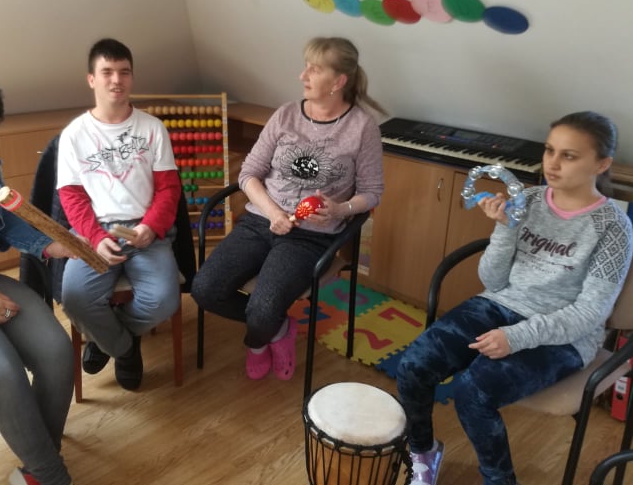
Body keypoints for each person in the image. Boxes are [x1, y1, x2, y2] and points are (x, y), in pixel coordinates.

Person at [396, 111, 633, 485]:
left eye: (569, 156)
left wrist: (518, 337)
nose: (552, 163)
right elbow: (493, 281)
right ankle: (423, 453)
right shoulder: (529, 200)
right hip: (500, 304)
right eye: (549, 150)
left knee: (474, 391)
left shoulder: (613, 228)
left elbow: (591, 312)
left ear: (601, 164)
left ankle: (500, 480)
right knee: (413, 366)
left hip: (566, 336)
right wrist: (504, 228)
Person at [191, 36, 385, 381]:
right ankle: (280, 329)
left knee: (263, 309)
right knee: (204, 289)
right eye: (305, 66)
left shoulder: (362, 127)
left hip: (311, 237)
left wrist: (340, 209)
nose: (302, 76)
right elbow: (249, 174)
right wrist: (273, 213)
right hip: (260, 221)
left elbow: (372, 192)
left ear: (338, 81)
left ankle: (258, 341)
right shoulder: (285, 115)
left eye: (314, 69)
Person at [0, 64, 76, 485]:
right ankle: (51, 475)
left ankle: (39, 467)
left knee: (57, 351)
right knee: (4, 374)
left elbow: (6, 223)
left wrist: (50, 244)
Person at [56, 38, 181, 391]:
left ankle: (107, 338)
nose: (116, 80)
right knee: (75, 298)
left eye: (124, 72)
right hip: (96, 233)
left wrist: (151, 227)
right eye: (107, 72)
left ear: (132, 77)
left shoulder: (152, 128)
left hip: (146, 232)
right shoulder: (74, 135)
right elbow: (71, 196)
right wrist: (96, 237)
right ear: (91, 79)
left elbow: (169, 189)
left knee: (163, 300)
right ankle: (125, 349)